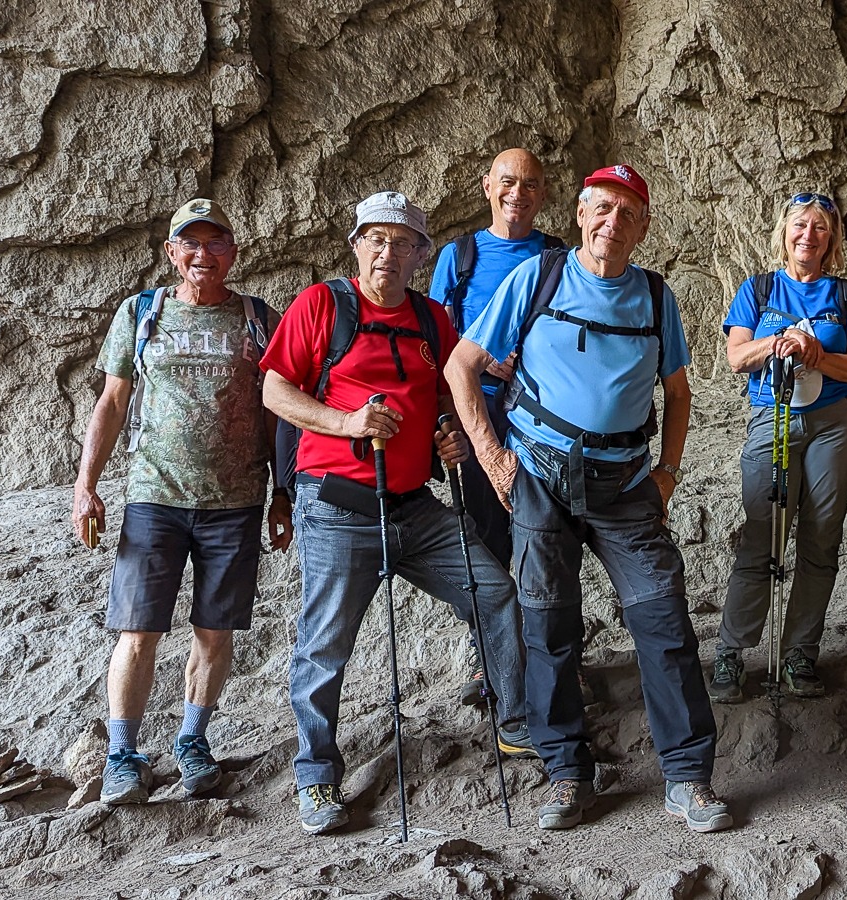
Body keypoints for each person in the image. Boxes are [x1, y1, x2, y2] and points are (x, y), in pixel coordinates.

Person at [447, 165, 732, 834]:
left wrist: (667, 472)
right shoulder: (538, 277)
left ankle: (688, 777)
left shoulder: (655, 296)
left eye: (627, 213)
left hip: (626, 486)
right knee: (548, 628)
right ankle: (567, 774)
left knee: (663, 619)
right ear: (580, 214)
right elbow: (462, 365)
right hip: (540, 480)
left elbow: (679, 393)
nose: (612, 222)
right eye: (601, 208)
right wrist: (494, 459)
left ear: (644, 228)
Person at [260, 191, 530, 835]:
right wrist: (347, 422)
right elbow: (274, 390)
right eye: (376, 239)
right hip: (337, 506)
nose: (388, 252)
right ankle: (316, 775)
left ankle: (516, 721)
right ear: (357, 245)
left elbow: (443, 395)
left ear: (419, 255)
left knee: (495, 593)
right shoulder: (321, 305)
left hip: (414, 507)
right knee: (325, 646)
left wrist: (445, 436)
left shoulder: (432, 319)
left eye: (403, 242)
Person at [72, 198, 290, 806]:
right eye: (190, 243)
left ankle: (193, 741)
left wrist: (283, 491)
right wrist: (86, 484)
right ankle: (122, 755)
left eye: (215, 242)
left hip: (236, 501)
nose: (203, 254)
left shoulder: (258, 318)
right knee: (137, 630)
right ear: (172, 252)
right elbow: (112, 402)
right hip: (154, 496)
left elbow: (277, 412)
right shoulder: (141, 312)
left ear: (233, 252)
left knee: (214, 632)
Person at [712, 192, 847, 703]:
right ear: (784, 233)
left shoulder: (844, 295)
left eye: (820, 227)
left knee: (821, 535)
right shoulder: (759, 289)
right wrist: (780, 341)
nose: (809, 235)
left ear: (832, 240)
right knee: (763, 534)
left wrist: (816, 353)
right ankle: (732, 650)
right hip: (774, 415)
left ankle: (800, 651)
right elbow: (737, 357)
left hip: (835, 422)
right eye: (800, 225)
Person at [427, 148, 564, 706]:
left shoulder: (558, 255)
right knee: (486, 541)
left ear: (543, 194)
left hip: (541, 417)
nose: (518, 194)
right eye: (508, 182)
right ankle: (494, 663)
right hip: (479, 414)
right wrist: (479, 365)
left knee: (546, 538)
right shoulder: (459, 257)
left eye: (530, 184)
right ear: (487, 187)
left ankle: (550, 659)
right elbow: (437, 340)